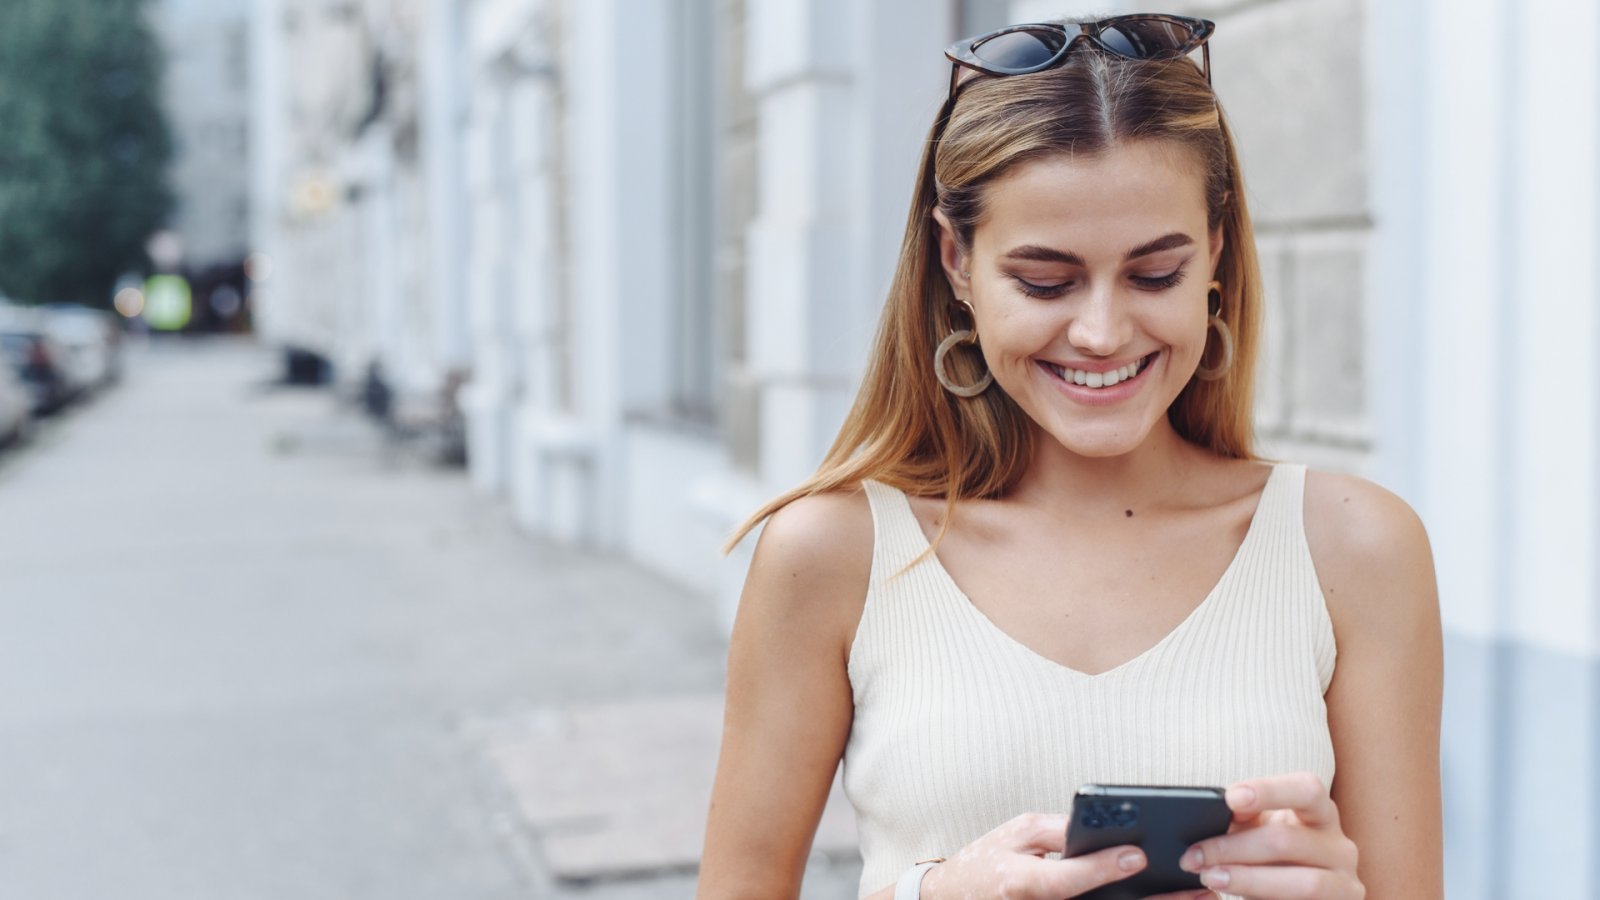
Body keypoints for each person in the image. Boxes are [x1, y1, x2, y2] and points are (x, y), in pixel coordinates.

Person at [698, 14, 1442, 900]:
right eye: (1045, 281)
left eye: (1155, 274)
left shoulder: (1356, 549)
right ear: (956, 261)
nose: (1100, 332)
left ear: (1214, 254)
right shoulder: (830, 555)